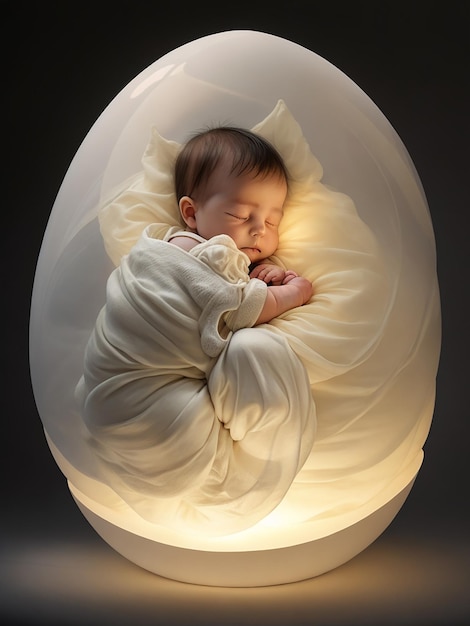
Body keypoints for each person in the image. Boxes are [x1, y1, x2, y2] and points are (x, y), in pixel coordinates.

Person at [168, 126, 313, 324]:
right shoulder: (184, 250)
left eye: (272, 222)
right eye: (241, 216)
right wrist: (292, 292)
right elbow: (239, 309)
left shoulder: (227, 261)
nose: (260, 230)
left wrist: (267, 279)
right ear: (191, 213)